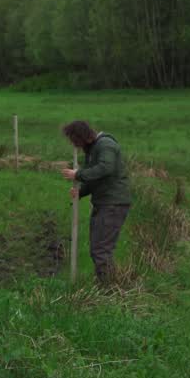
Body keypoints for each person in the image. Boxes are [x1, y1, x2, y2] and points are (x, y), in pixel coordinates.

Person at [60, 120, 131, 284]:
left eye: (74, 140)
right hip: (105, 202)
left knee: (101, 250)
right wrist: (81, 192)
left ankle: (108, 287)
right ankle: (106, 283)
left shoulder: (105, 145)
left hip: (113, 203)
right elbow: (95, 178)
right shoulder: (93, 149)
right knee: (98, 248)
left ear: (81, 136)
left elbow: (105, 168)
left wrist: (78, 174)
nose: (74, 144)